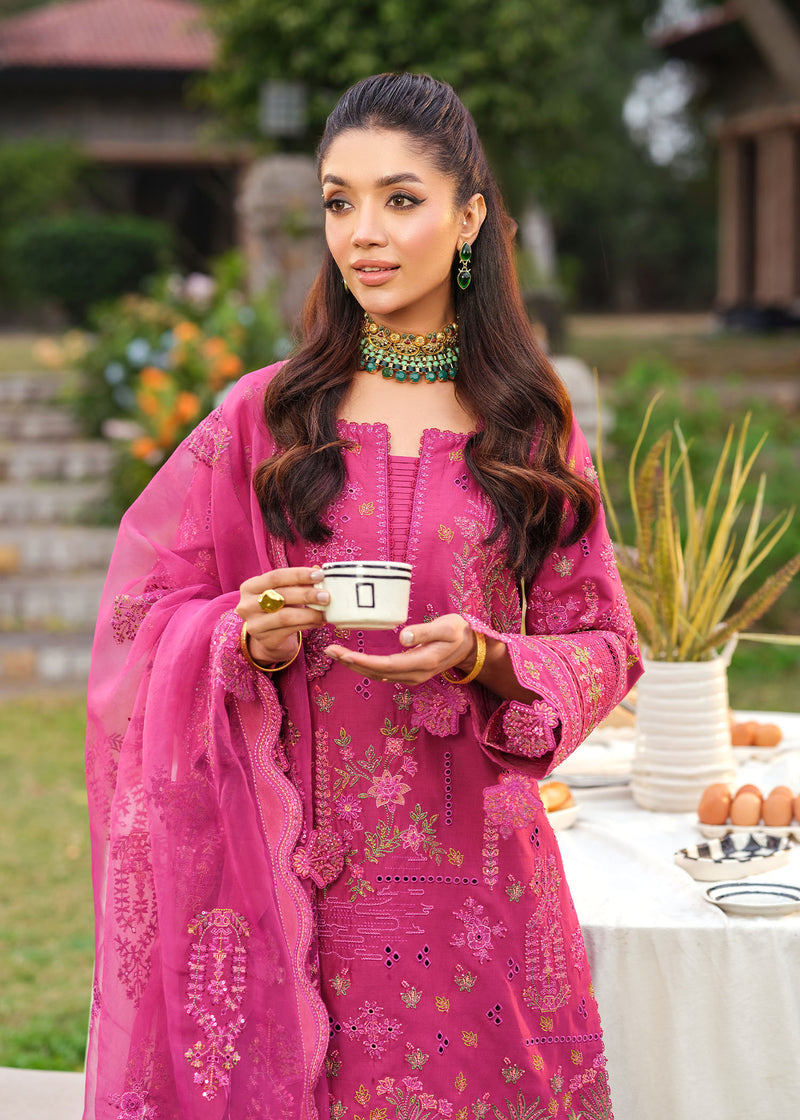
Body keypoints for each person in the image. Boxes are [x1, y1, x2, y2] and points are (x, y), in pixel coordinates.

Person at [84, 72, 641, 1120]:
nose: (363, 233)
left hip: (481, 902)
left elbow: (603, 640)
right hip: (295, 891)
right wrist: (240, 635)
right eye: (340, 201)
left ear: (468, 218)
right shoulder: (266, 416)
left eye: (400, 198)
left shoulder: (527, 424)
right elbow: (139, 613)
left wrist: (485, 655)